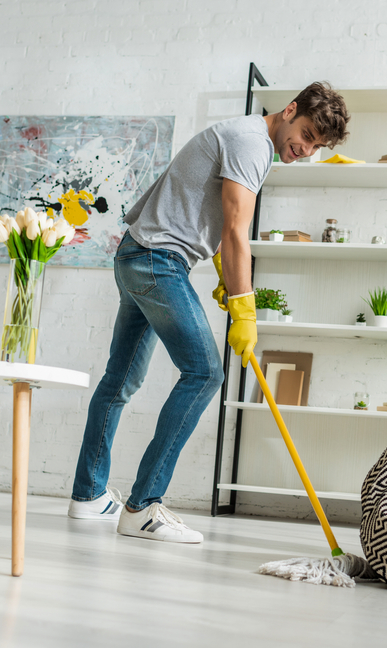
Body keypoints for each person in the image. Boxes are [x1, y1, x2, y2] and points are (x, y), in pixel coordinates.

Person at [68, 83, 350, 542]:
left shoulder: (243, 138)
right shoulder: (253, 143)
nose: (306, 149)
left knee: (119, 381)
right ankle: (142, 507)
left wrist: (223, 272)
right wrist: (245, 308)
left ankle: (88, 495)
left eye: (316, 146)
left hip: (137, 255)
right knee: (205, 374)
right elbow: (238, 229)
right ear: (290, 110)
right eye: (306, 135)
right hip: (160, 261)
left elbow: (214, 220)